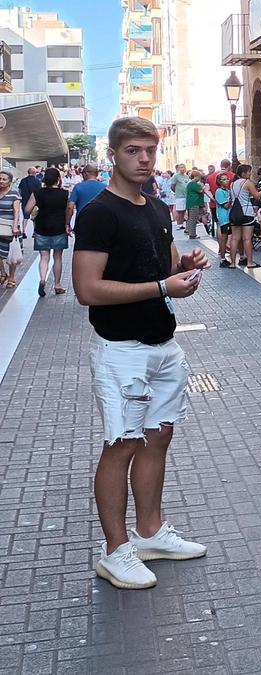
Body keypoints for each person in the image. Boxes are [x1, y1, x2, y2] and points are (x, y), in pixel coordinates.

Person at [72, 116, 210, 590]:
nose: (145, 159)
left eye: (150, 150)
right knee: (122, 444)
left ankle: (151, 532)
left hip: (163, 344)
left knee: (159, 437)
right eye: (133, 150)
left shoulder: (153, 207)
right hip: (120, 349)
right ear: (113, 153)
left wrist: (185, 266)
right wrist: (160, 285)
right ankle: (115, 551)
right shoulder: (98, 212)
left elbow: (165, 265)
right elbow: (86, 288)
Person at [27, 167, 70, 297]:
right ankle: (57, 285)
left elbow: (27, 209)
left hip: (42, 227)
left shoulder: (37, 192)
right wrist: (67, 223)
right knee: (57, 257)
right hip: (59, 227)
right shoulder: (65, 193)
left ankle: (43, 279)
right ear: (58, 179)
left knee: (44, 257)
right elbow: (69, 209)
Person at [225, 165, 261, 268]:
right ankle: (250, 262)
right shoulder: (247, 183)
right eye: (249, 172)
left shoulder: (232, 184)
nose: (250, 173)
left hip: (234, 213)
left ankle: (233, 263)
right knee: (247, 238)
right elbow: (257, 196)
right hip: (246, 212)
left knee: (234, 238)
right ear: (243, 173)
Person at [0, 171, 23, 289]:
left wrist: (15, 226)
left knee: (11, 255)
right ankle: (3, 274)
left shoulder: (14, 193)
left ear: (10, 181)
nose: (1, 181)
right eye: (0, 179)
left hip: (10, 228)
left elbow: (16, 211)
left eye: (4, 179)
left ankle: (12, 277)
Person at [184, 170, 206, 239]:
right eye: (199, 177)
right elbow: (201, 190)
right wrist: (204, 188)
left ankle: (187, 230)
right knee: (193, 219)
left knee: (190, 218)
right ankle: (192, 234)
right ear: (196, 176)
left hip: (190, 203)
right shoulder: (194, 184)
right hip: (194, 203)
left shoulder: (190, 184)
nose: (199, 179)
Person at [169, 163, 189, 229]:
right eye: (181, 167)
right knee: (180, 211)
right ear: (178, 168)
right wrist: (176, 191)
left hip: (186, 196)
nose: (182, 169)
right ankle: (179, 224)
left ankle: (182, 223)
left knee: (184, 210)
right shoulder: (176, 176)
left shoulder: (186, 176)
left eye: (183, 167)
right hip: (179, 196)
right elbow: (172, 186)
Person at [214, 174, 232, 241]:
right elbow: (226, 206)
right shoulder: (219, 191)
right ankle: (222, 250)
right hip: (224, 217)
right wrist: (230, 200)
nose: (227, 181)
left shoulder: (228, 191)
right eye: (224, 179)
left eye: (227, 179)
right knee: (224, 236)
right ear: (219, 181)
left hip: (229, 216)